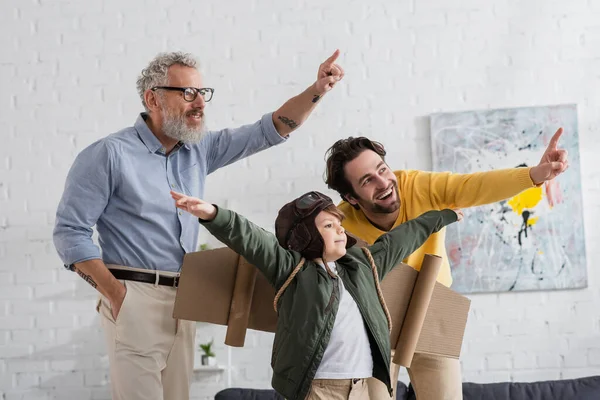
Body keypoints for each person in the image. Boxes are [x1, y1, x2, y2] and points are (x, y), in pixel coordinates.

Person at [52, 50, 345, 400]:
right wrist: (117, 296)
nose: (200, 104)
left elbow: (270, 129)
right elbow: (70, 234)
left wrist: (317, 90)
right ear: (153, 98)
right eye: (187, 93)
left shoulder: (199, 150)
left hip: (185, 300)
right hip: (134, 296)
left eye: (202, 94)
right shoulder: (108, 154)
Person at [323, 129, 569, 400]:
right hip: (373, 319)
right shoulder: (339, 226)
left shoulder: (419, 186)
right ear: (352, 198)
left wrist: (534, 175)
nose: (383, 183)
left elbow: (474, 186)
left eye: (383, 169)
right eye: (368, 180)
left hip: (432, 306)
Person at [170, 189, 463, 400]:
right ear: (305, 237)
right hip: (318, 391)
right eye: (328, 225)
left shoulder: (363, 264)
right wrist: (212, 214)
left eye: (339, 223)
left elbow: (403, 237)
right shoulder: (292, 271)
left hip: (363, 388)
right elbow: (252, 239)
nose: (339, 230)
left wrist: (443, 216)